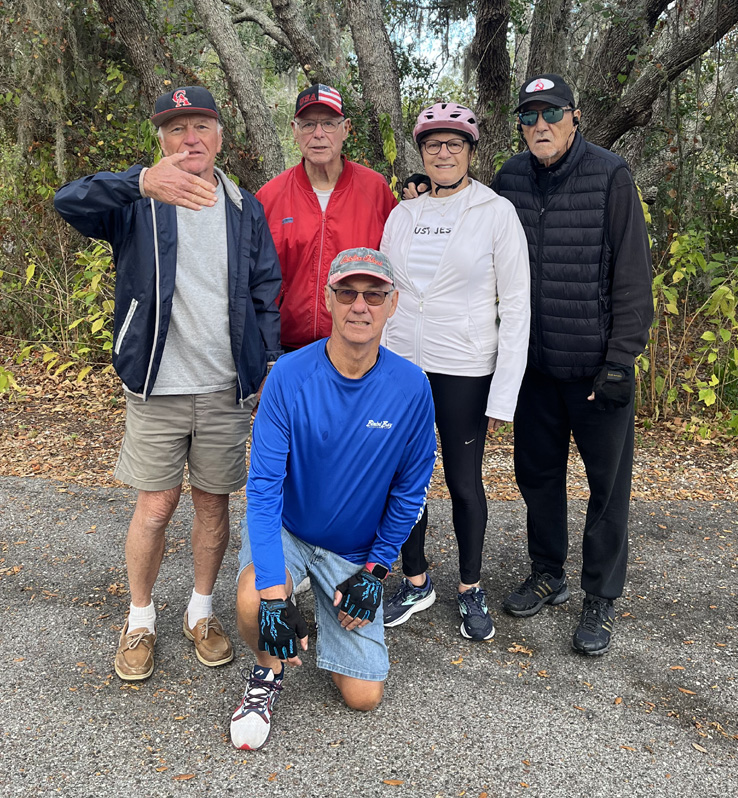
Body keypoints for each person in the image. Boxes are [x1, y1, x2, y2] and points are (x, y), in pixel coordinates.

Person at [54, 86, 282, 680]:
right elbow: (68, 201)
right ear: (161, 140)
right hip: (157, 386)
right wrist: (139, 182)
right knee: (155, 506)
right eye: (176, 128)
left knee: (212, 505)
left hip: (224, 388)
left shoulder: (243, 206)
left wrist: (262, 363)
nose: (190, 138)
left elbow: (265, 289)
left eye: (201, 126)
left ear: (219, 137)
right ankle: (140, 618)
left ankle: (200, 612)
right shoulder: (139, 200)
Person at [230, 248, 436, 750]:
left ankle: (326, 605)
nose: (359, 306)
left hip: (353, 552)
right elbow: (263, 490)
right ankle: (267, 672)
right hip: (292, 531)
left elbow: (410, 493)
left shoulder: (412, 388)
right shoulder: (288, 376)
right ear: (328, 299)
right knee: (253, 601)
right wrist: (274, 597)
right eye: (347, 293)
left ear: (392, 304)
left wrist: (377, 571)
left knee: (363, 697)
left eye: (374, 295)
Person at [491, 74, 654, 655]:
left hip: (595, 371)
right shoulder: (508, 179)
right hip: (534, 367)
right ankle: (547, 572)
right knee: (537, 477)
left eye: (552, 113)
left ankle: (600, 595)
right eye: (529, 116)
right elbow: (471, 228)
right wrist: (423, 192)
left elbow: (632, 274)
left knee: (607, 488)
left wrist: (621, 359)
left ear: (574, 117)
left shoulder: (610, 175)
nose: (541, 125)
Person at [379, 103, 530, 641]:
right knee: (403, 481)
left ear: (470, 151)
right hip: (402, 367)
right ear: (421, 153)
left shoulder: (495, 212)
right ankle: (416, 580)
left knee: (464, 482)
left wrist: (504, 394)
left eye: (454, 144)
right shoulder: (403, 215)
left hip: (465, 368)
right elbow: (385, 292)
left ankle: (470, 587)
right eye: (433, 145)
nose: (443, 153)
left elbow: (517, 305)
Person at [256, 84, 397, 350]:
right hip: (286, 348)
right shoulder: (269, 197)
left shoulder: (376, 190)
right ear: (294, 130)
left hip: (359, 346)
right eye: (308, 124)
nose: (318, 134)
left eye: (329, 124)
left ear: (346, 129)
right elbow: (254, 281)